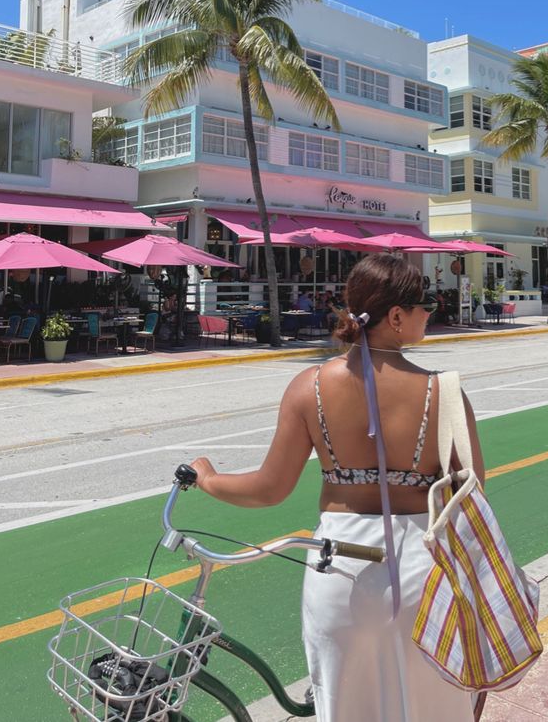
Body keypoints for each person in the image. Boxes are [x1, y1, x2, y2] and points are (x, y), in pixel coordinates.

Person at [190, 254, 485, 722]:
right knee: (435, 704)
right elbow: (472, 494)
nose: (432, 310)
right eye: (425, 303)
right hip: (424, 567)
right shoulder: (443, 391)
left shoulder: (309, 387)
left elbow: (269, 489)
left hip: (338, 564)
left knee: (345, 704)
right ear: (395, 317)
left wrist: (208, 479)